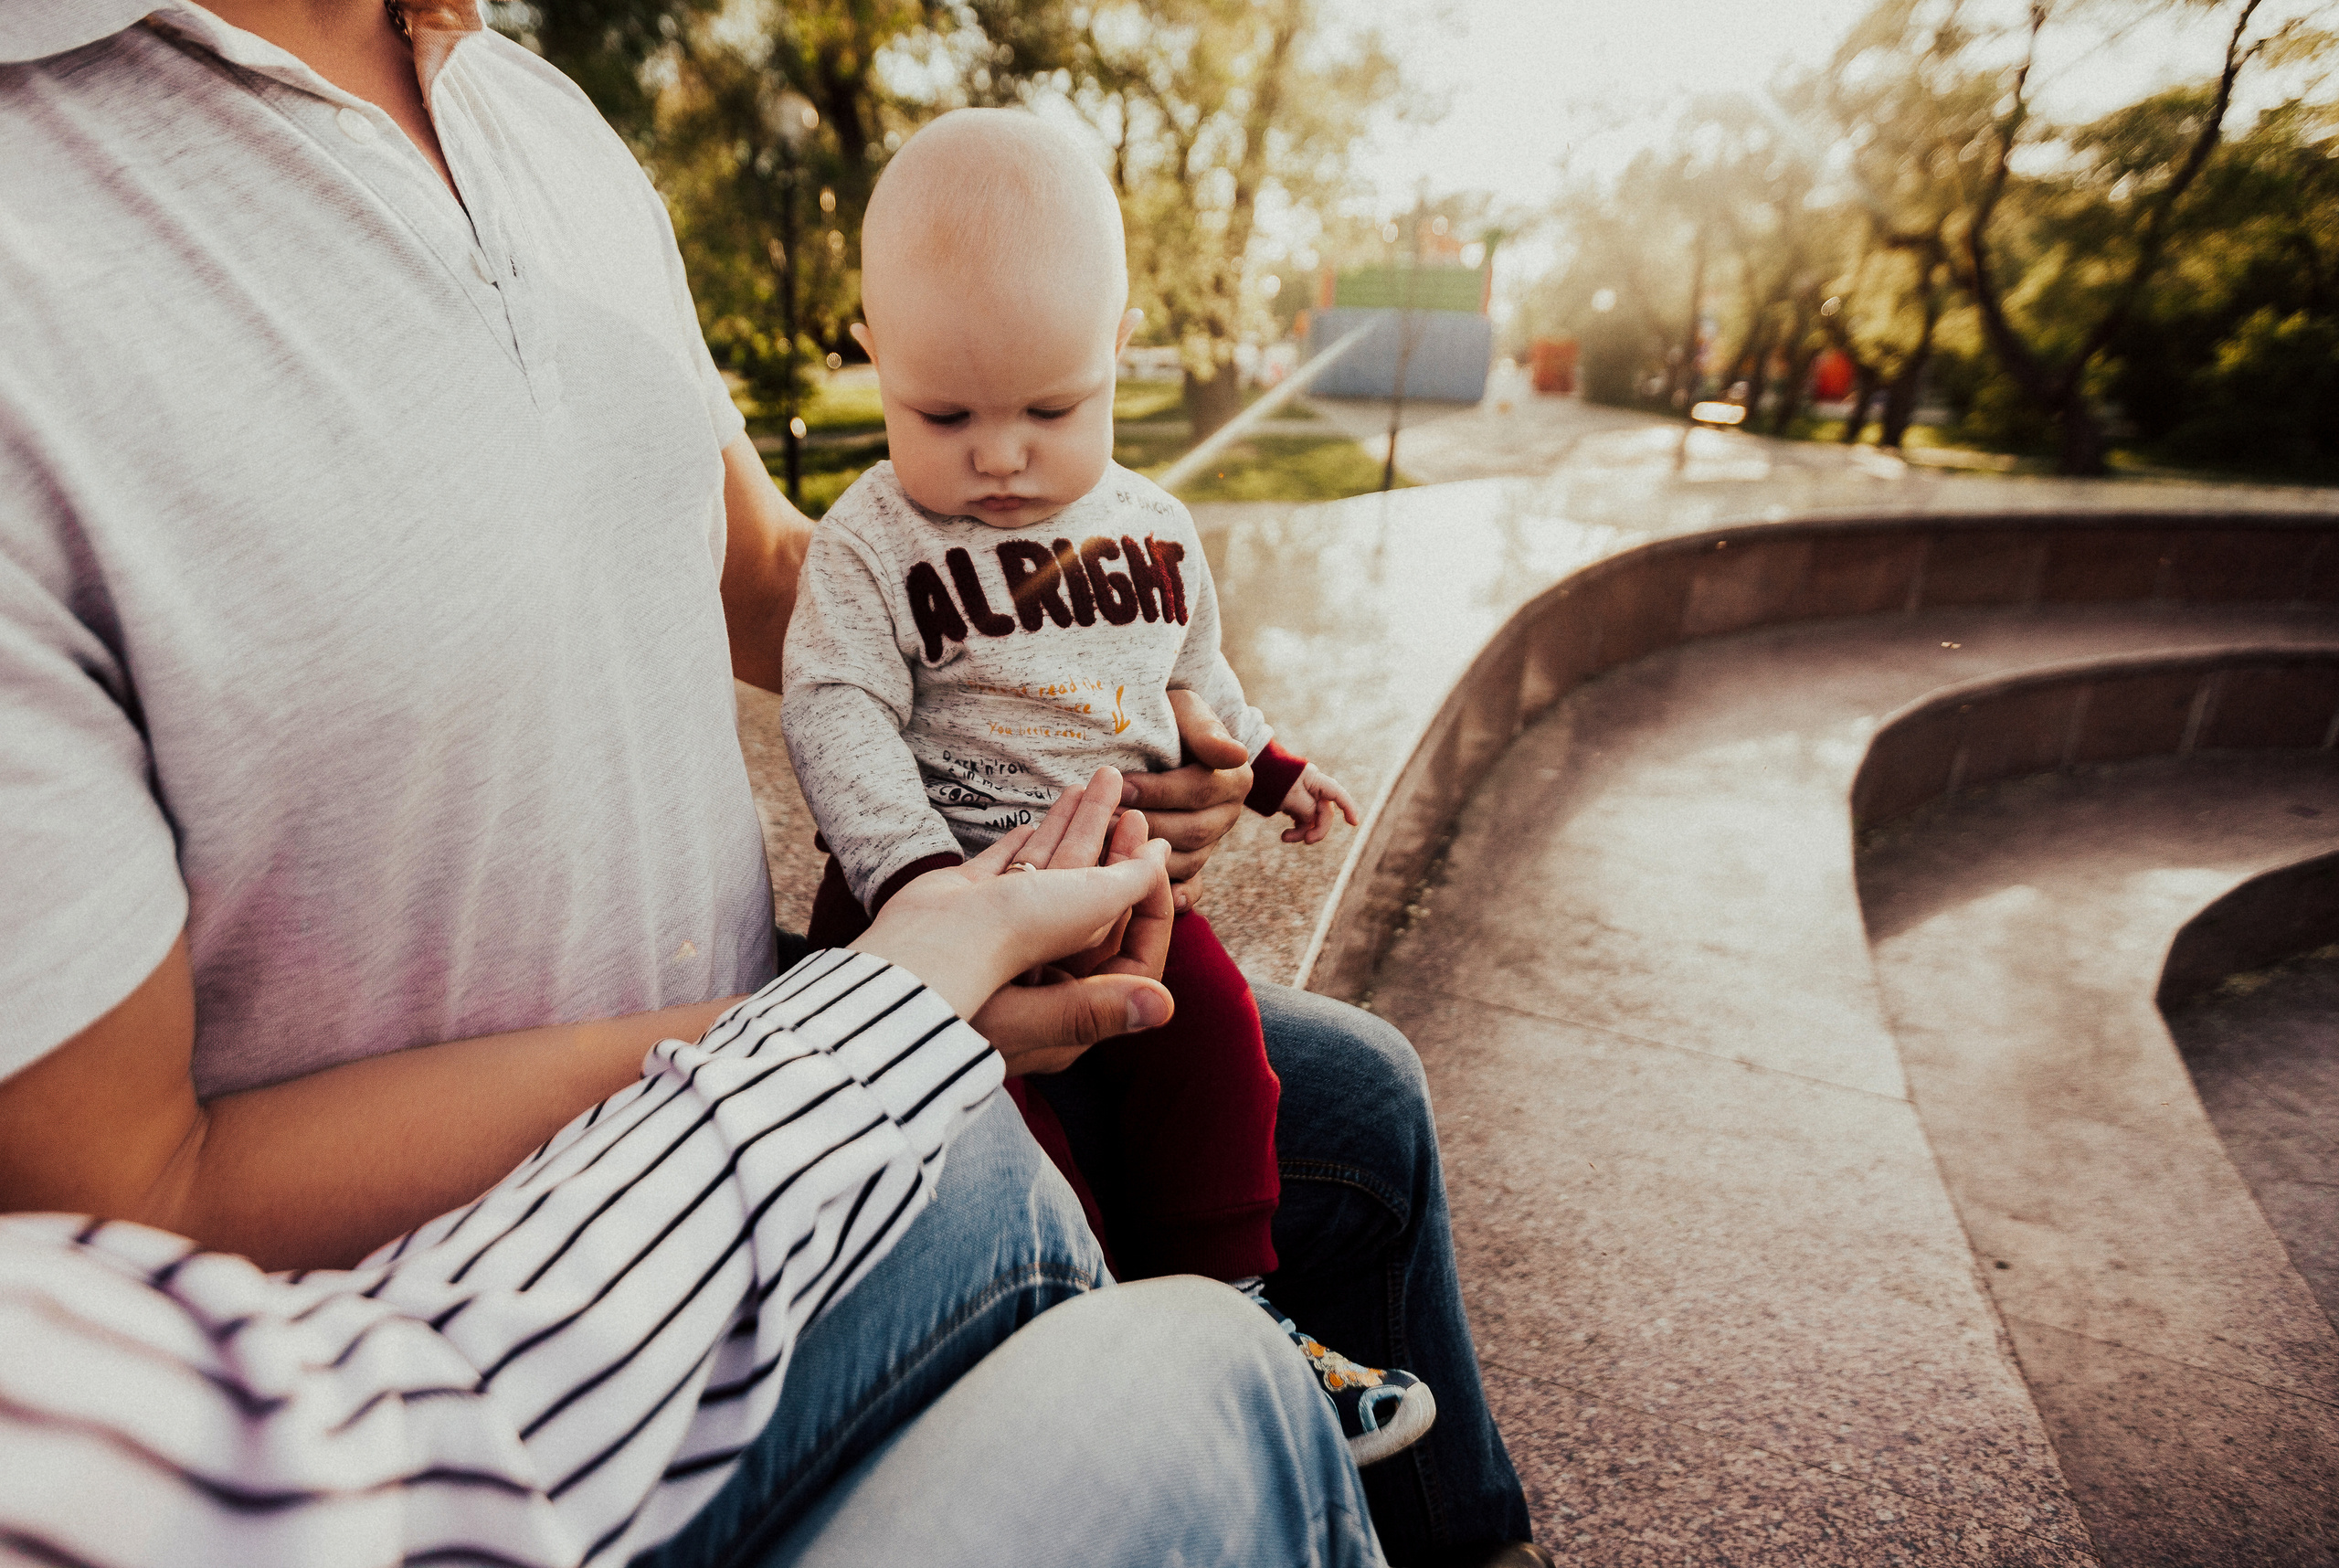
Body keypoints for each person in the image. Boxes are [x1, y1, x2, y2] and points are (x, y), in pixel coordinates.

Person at [0, 1, 1541, 1563]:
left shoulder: (534, 117)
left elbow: (771, 573)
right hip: (514, 1325)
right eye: (945, 413)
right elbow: (121, 1205)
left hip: (817, 1032)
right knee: (1211, 1373)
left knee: (1363, 1100)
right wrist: (872, 1001)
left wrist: (1117, 727)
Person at [780, 107, 1434, 1467]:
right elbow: (835, 711)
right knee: (985, 1136)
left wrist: (1273, 773)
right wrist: (924, 892)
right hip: (922, 908)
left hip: (1116, 889)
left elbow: (1202, 674)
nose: (1002, 454)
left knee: (1216, 1055)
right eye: (943, 413)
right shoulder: (870, 541)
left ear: (1118, 355)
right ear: (872, 355)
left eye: (1053, 409)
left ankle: (1237, 1321)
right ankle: (1067, 1340)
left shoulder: (1153, 527)